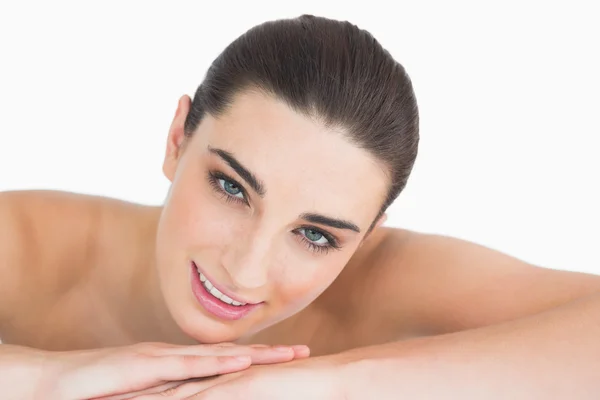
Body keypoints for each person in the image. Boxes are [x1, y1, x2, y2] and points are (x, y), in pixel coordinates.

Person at [1, 14, 599, 400]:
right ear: (177, 137)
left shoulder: (387, 287)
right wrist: (48, 377)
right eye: (232, 188)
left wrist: (311, 385)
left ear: (367, 239)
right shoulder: (26, 244)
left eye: (316, 236)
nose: (248, 269)